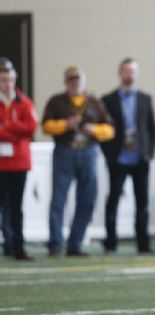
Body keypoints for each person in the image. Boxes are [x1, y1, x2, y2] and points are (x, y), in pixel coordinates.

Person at [43, 65, 115, 257]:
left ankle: (75, 243)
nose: (75, 82)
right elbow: (46, 126)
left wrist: (94, 130)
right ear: (66, 81)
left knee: (87, 199)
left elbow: (110, 129)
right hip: (65, 151)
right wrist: (65, 125)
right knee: (59, 200)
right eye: (71, 78)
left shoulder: (94, 102)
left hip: (88, 152)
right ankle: (55, 243)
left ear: (84, 80)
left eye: (78, 78)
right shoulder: (57, 101)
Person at [100, 58, 155, 254]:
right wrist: (108, 154)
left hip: (140, 158)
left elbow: (152, 129)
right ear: (120, 73)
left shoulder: (145, 98)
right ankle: (110, 243)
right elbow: (104, 129)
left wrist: (149, 152)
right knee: (113, 200)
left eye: (132, 71)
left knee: (142, 203)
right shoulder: (108, 100)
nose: (129, 74)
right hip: (118, 158)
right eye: (126, 71)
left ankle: (143, 244)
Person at [0, 57, 37, 260]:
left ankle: (18, 247)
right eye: (4, 79)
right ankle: (7, 243)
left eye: (11, 79)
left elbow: (31, 128)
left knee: (16, 208)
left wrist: (7, 128)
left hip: (18, 163)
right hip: (0, 163)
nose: (8, 84)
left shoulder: (24, 102)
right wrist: (15, 131)